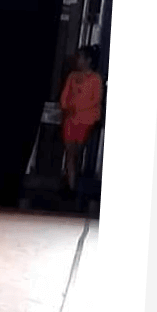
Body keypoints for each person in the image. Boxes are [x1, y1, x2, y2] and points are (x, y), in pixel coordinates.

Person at [59, 44, 103, 197]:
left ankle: (72, 182)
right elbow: (65, 95)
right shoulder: (72, 76)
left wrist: (76, 107)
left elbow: (95, 100)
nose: (78, 60)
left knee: (76, 153)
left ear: (88, 60)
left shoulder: (95, 79)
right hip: (71, 119)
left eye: (81, 58)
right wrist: (66, 106)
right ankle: (70, 185)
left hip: (85, 120)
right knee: (70, 152)